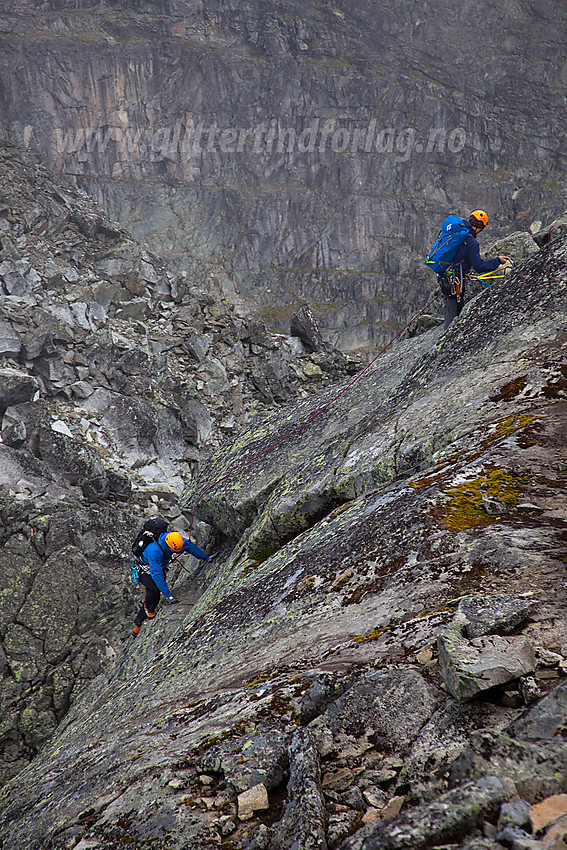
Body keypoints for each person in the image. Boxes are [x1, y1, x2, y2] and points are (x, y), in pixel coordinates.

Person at [132, 531, 216, 635]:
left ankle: (141, 621)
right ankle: (139, 623)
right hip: (143, 568)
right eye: (175, 550)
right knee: (153, 591)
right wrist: (168, 596)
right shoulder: (154, 551)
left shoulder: (177, 540)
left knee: (155, 594)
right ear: (169, 546)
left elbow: (189, 546)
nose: (177, 551)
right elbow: (157, 574)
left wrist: (206, 557)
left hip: (156, 565)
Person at [439, 210, 510, 330]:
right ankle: (446, 342)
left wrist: (465, 268)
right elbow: (479, 266)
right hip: (454, 281)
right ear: (480, 227)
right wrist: (497, 261)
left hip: (443, 275)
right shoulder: (471, 242)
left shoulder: (453, 232)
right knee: (453, 315)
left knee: (450, 308)